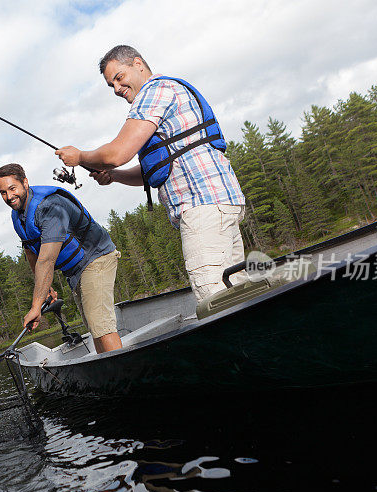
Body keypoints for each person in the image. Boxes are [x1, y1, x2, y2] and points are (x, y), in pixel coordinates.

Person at [56, 45, 248, 303]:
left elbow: (117, 153)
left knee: (213, 297)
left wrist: (80, 156)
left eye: (119, 77)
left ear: (138, 64)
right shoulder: (167, 92)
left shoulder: (155, 91)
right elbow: (155, 168)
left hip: (203, 206)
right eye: (110, 85)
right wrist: (114, 176)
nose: (116, 89)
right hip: (219, 203)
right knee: (239, 293)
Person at [0, 163, 123, 353]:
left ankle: (124, 373)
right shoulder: (18, 214)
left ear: (25, 183)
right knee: (94, 327)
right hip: (76, 270)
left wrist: (36, 306)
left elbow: (46, 259)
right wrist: (46, 290)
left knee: (102, 326)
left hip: (96, 257)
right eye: (3, 192)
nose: (9, 196)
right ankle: (110, 372)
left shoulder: (49, 207)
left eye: (12, 188)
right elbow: (31, 251)